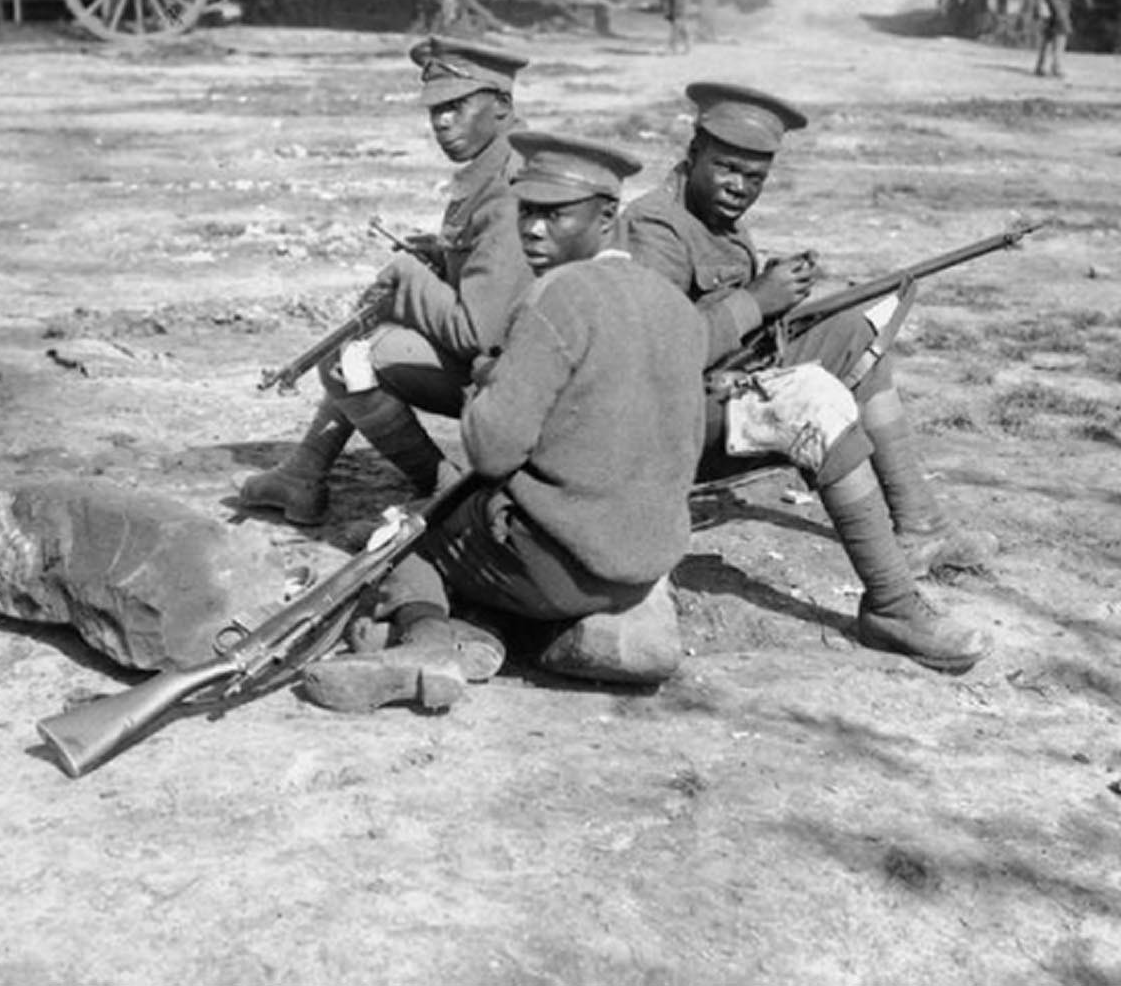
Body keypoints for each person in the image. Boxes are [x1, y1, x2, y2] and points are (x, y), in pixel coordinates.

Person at [301, 131, 709, 712]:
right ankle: (573, 634)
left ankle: (427, 644)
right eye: (528, 212)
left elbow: (492, 451)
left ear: (607, 216)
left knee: (406, 535)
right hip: (646, 557)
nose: (534, 231)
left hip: (559, 560)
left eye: (556, 215)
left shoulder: (557, 296)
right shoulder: (676, 307)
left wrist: (485, 384)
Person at [619, 82, 995, 676]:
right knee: (813, 402)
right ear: (693, 153)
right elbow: (651, 355)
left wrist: (774, 298)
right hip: (661, 431)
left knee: (852, 333)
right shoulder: (655, 229)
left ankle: (920, 524)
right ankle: (892, 606)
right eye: (728, 169)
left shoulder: (716, 218)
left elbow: (722, 325)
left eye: (756, 178)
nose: (740, 188)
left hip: (711, 391)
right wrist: (756, 301)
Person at [238, 38, 534, 525]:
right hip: (506, 361)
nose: (441, 121)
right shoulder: (494, 165)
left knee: (346, 361)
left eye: (456, 106)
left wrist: (409, 278)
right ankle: (304, 472)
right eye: (435, 109)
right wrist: (439, 257)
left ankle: (443, 490)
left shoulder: (507, 187)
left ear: (501, 104)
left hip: (516, 380)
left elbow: (479, 332)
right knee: (361, 342)